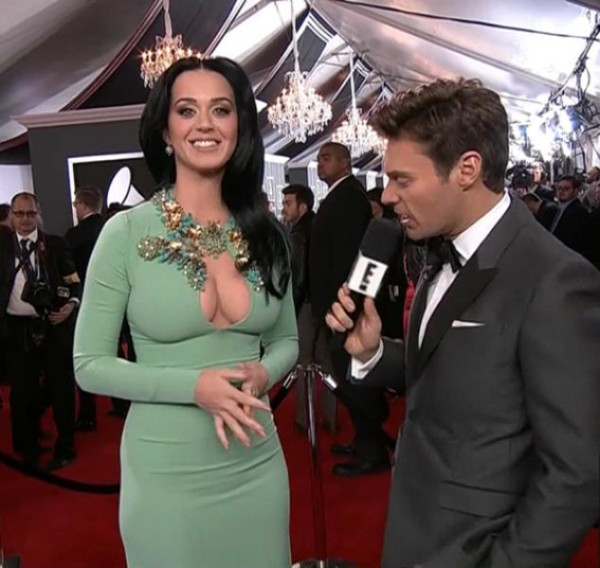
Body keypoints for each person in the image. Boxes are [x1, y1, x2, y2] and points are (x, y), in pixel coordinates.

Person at [326, 78, 600, 567]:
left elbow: (577, 472)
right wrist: (374, 352)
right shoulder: (440, 247)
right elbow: (453, 369)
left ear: (467, 169)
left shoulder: (554, 280)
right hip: (415, 529)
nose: (388, 196)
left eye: (402, 179)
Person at [73, 56, 298, 568]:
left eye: (221, 109)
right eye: (186, 110)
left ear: (239, 126)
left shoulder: (266, 234)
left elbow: (287, 341)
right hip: (164, 474)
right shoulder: (125, 233)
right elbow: (88, 365)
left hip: (256, 464)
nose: (205, 124)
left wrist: (264, 372)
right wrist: (193, 387)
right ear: (166, 131)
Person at [310, 141, 390, 475]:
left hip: (346, 310)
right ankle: (365, 439)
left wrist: (344, 307)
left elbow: (350, 259)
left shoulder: (348, 198)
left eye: (327, 158)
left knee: (356, 380)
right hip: (338, 306)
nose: (320, 164)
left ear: (345, 163)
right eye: (318, 159)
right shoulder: (341, 196)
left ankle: (372, 450)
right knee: (349, 378)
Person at [0, 193, 80, 470]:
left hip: (53, 325)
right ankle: (27, 447)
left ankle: (66, 447)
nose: (25, 219)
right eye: (19, 213)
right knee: (22, 391)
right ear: (11, 215)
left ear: (38, 214)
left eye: (30, 213)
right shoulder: (2, 246)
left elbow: (74, 281)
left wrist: (71, 304)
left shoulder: (55, 244)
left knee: (61, 389)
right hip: (15, 329)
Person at [65, 186, 105, 431]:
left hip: (86, 301)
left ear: (82, 205)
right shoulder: (113, 227)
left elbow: (69, 272)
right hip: (119, 299)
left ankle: (88, 414)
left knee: (84, 355)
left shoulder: (74, 235)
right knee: (116, 351)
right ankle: (123, 404)